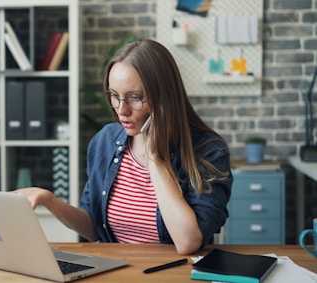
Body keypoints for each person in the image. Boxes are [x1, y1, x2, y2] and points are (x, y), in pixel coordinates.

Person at [15, 39, 232, 255]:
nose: (121, 110)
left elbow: (188, 242)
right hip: (119, 271)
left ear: (165, 98)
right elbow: (93, 227)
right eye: (114, 96)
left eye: (135, 98)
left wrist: (155, 156)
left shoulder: (208, 151)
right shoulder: (105, 141)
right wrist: (49, 201)